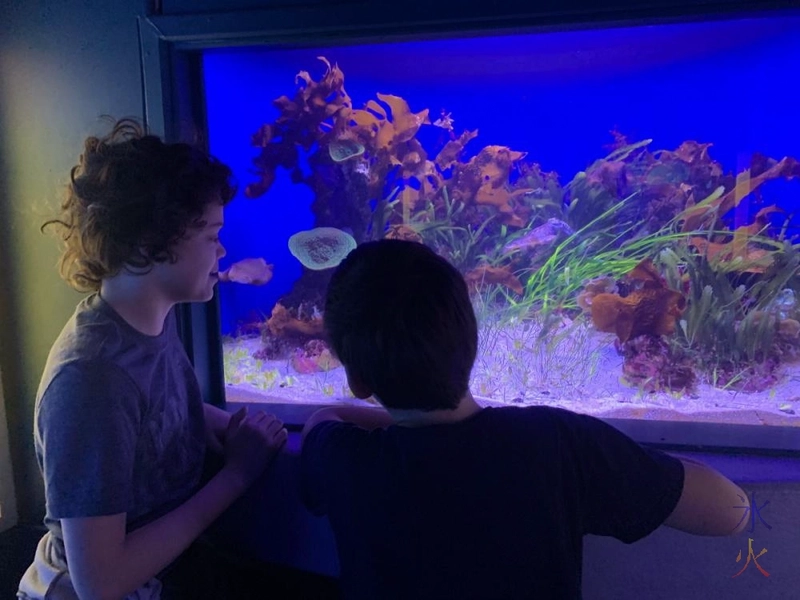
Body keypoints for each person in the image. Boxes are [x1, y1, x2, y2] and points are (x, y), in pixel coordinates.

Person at [300, 238, 751, 600]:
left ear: (357, 379)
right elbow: (732, 512)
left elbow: (322, 420)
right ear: (473, 342)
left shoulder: (344, 461)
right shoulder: (553, 443)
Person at [18, 118, 288, 600]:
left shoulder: (149, 316)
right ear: (150, 245)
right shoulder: (91, 380)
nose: (223, 250)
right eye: (210, 235)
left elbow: (154, 413)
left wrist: (227, 427)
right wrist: (237, 475)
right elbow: (99, 583)